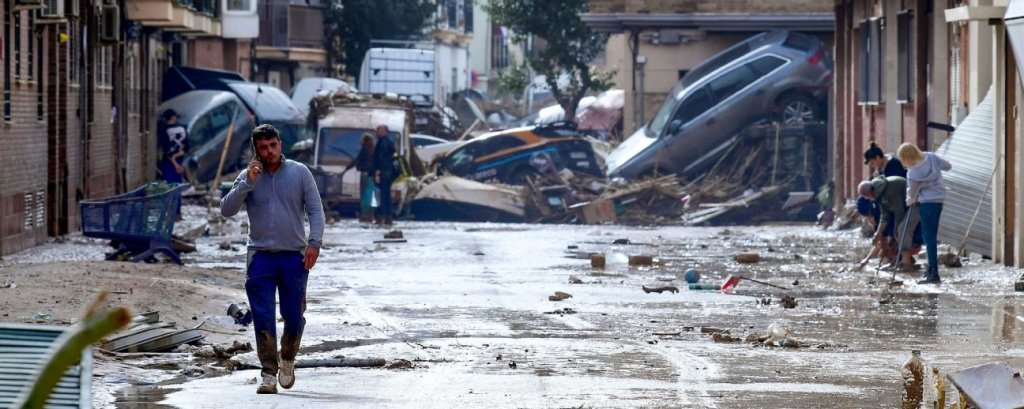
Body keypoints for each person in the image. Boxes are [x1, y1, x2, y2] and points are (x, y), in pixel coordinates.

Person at [220, 124, 325, 394]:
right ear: (256, 150)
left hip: (294, 257)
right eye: (263, 148)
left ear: (280, 144)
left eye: (273, 145)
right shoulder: (248, 176)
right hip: (260, 258)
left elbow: (315, 210)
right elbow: (226, 210)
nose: (269, 152)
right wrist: (248, 183)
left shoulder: (300, 173)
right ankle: (268, 373)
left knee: (293, 315)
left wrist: (314, 243)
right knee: (263, 316)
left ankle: (287, 358)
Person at [898, 143, 952, 284]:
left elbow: (911, 196)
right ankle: (930, 270)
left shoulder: (912, 173)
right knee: (931, 236)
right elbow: (948, 166)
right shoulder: (932, 157)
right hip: (939, 199)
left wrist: (909, 201)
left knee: (929, 238)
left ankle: (933, 273)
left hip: (926, 203)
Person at [858, 176, 922, 272]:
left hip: (917, 203)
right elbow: (884, 215)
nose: (868, 198)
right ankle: (902, 260)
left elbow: (899, 212)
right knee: (897, 232)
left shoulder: (889, 190)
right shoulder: (878, 194)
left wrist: (895, 231)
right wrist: (878, 233)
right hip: (907, 206)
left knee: (901, 230)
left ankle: (906, 263)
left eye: (867, 196)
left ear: (870, 193)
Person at [371, 124, 399, 225]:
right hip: (388, 174)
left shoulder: (382, 144)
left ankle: (381, 216)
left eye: (379, 130)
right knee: (385, 196)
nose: (377, 132)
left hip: (383, 174)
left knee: (381, 196)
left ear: (385, 131)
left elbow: (381, 160)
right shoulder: (389, 143)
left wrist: (377, 172)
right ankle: (387, 216)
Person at [345, 133, 376, 222]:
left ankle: (365, 214)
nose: (360, 141)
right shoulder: (373, 150)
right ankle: (370, 214)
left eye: (362, 139)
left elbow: (356, 161)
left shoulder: (364, 150)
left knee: (365, 195)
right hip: (371, 175)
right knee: (369, 194)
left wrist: (346, 169)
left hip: (365, 175)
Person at [157, 109, 189, 184]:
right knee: (178, 185)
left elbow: (166, 150)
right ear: (173, 117)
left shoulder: (163, 130)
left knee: (169, 185)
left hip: (168, 162)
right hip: (179, 160)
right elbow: (186, 149)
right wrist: (177, 161)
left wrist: (174, 163)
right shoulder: (183, 129)